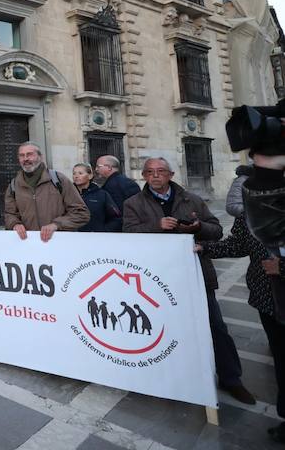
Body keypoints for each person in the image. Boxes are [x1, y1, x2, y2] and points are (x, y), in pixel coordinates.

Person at [123, 157, 255, 404]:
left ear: (171, 174)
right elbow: (128, 235)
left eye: (161, 171)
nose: (155, 176)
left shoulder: (192, 199)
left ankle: (231, 379)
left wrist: (198, 227)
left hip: (195, 272)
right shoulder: (133, 203)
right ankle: (165, 376)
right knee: (161, 328)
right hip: (155, 277)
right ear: (143, 176)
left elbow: (216, 230)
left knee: (215, 326)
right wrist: (156, 225)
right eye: (150, 172)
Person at [197, 216, 285, 439]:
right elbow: (238, 243)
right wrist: (203, 247)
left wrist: (282, 266)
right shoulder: (252, 205)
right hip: (268, 299)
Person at [4, 142, 89, 242]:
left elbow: (81, 213)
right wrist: (15, 224)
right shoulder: (14, 185)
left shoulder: (59, 180)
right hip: (29, 245)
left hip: (59, 243)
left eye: (30, 154)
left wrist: (57, 225)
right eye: (22, 155)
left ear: (40, 156)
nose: (25, 159)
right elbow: (9, 214)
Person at [72, 163, 121, 232]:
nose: (76, 176)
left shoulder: (102, 195)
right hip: (72, 237)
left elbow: (115, 218)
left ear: (90, 176)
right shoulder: (67, 194)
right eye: (74, 173)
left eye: (80, 173)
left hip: (96, 237)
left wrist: (104, 231)